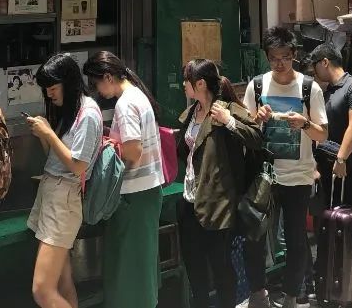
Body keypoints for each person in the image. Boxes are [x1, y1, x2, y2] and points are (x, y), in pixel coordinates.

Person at [243, 27, 327, 308]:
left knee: (295, 240)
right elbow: (247, 129)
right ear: (266, 56)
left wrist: (304, 123)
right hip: (264, 177)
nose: (279, 64)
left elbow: (322, 134)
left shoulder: (309, 88)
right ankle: (258, 293)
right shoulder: (257, 86)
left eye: (285, 57)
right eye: (274, 58)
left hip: (298, 176)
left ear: (294, 55)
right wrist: (258, 118)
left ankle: (291, 295)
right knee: (254, 237)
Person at [177, 59, 262, 308]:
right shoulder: (191, 113)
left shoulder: (226, 110)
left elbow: (256, 137)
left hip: (218, 204)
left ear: (200, 84)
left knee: (221, 265)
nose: (183, 85)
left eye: (187, 80)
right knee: (194, 266)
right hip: (190, 200)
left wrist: (229, 121)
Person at [83, 52, 164, 308]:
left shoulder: (125, 104)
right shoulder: (138, 96)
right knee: (141, 263)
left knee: (126, 267)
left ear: (108, 77)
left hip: (133, 195)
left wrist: (109, 146)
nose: (98, 90)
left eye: (96, 83)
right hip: (148, 191)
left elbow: (133, 152)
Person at [25, 53, 102, 308]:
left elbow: (78, 166)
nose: (49, 94)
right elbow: (57, 158)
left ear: (68, 82)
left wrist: (49, 133)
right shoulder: (71, 112)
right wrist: (45, 136)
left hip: (64, 199)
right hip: (53, 193)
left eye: (53, 87)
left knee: (42, 290)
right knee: (61, 282)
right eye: (46, 89)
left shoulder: (88, 114)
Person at [309, 44, 352, 211]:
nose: (314, 72)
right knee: (331, 219)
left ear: (324, 62)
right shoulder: (328, 91)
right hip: (330, 167)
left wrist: (341, 159)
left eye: (314, 66)